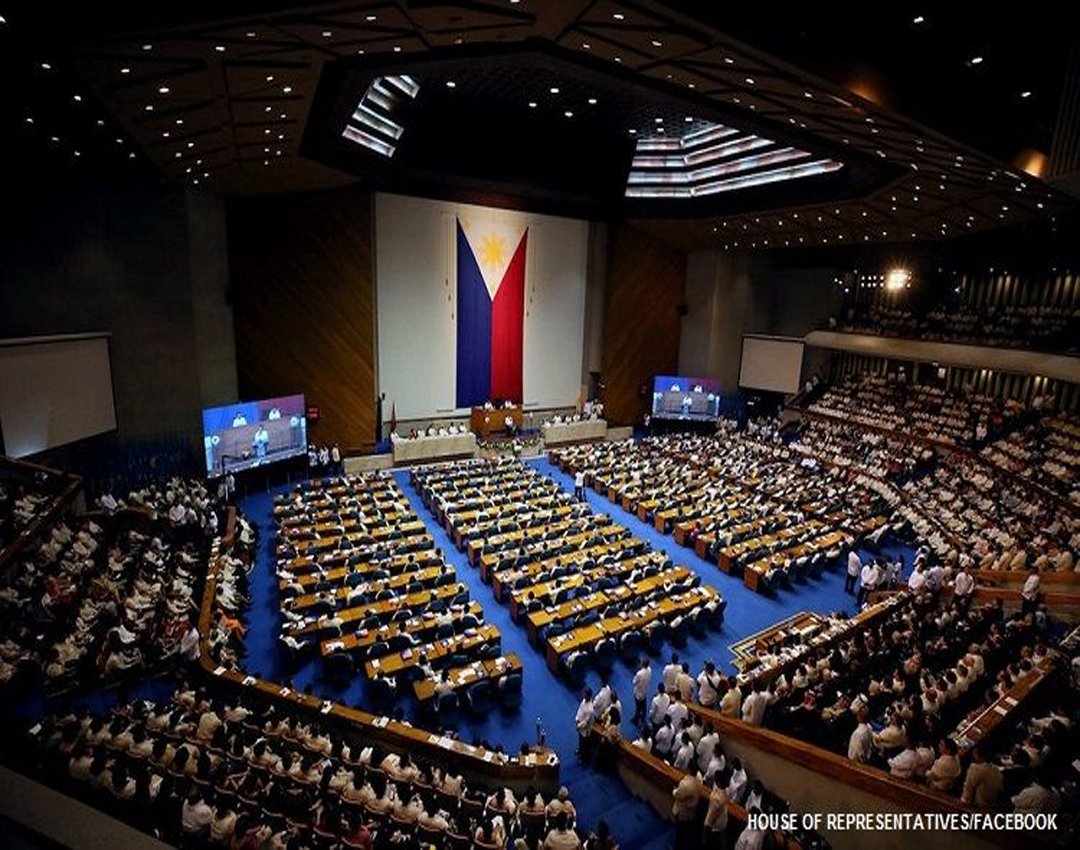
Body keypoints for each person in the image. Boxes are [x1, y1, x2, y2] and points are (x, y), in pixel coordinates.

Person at [671, 772, 700, 850]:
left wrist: (674, 790)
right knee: (686, 832)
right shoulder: (699, 778)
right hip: (692, 812)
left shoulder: (685, 784)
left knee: (680, 832)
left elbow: (677, 795)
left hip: (683, 812)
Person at [575, 687, 595, 762]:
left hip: (585, 730)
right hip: (580, 724)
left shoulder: (590, 709)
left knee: (584, 743)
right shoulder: (584, 700)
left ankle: (584, 758)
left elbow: (586, 722)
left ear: (588, 696)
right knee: (580, 741)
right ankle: (580, 750)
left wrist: (578, 726)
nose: (582, 694)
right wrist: (577, 719)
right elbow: (580, 710)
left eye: (584, 693)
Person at [632, 657, 652, 725]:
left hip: (639, 692)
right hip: (645, 690)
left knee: (638, 707)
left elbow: (634, 682)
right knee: (643, 704)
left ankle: (636, 720)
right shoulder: (649, 670)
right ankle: (643, 717)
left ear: (642, 664)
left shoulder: (639, 673)